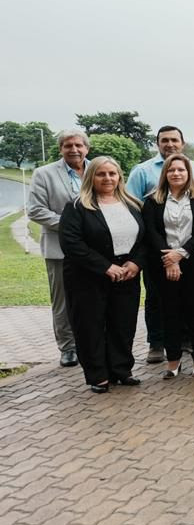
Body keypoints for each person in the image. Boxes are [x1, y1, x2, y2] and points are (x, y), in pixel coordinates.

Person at [60, 156, 145, 393]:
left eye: (112, 173)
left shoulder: (133, 205)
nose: (108, 178)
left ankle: (121, 370)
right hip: (88, 275)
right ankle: (98, 375)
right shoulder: (77, 206)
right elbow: (71, 243)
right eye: (101, 174)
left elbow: (144, 240)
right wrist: (105, 267)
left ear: (119, 177)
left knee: (123, 323)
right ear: (91, 177)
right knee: (91, 325)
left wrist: (136, 263)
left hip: (127, 273)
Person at [141, 153, 194, 379]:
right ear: (165, 173)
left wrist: (181, 253)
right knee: (169, 313)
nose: (176, 173)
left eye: (181, 170)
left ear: (188, 173)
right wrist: (169, 258)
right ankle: (173, 361)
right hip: (162, 265)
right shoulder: (153, 200)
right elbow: (151, 231)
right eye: (172, 170)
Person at [26, 129, 91, 367]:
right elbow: (35, 210)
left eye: (78, 145)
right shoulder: (44, 174)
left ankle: (92, 343)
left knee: (93, 298)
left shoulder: (98, 170)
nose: (74, 149)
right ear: (60, 149)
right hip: (59, 247)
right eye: (67, 145)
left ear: (87, 148)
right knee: (63, 300)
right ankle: (68, 348)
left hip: (95, 250)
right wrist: (70, 227)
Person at [125, 125, 194, 199]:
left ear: (183, 144)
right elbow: (131, 202)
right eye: (165, 140)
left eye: (174, 140)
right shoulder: (141, 171)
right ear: (158, 144)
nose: (170, 144)